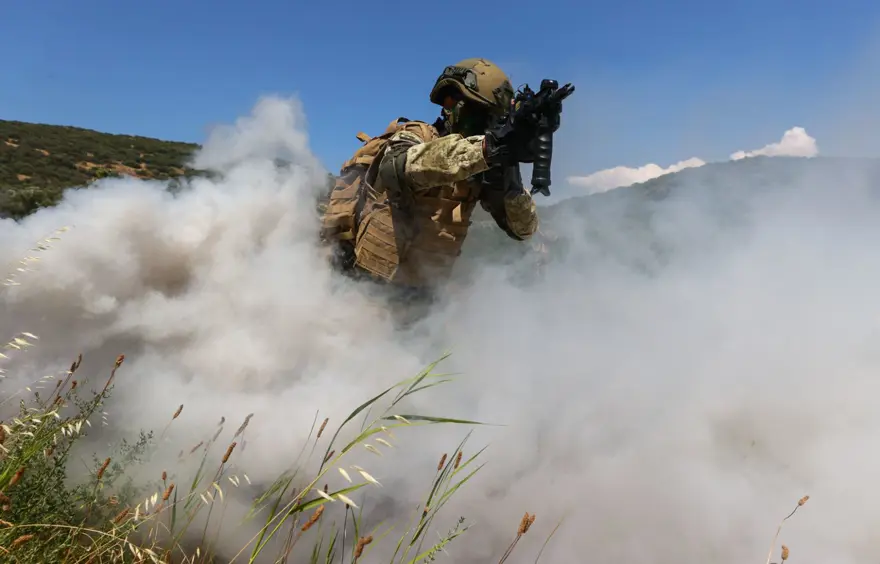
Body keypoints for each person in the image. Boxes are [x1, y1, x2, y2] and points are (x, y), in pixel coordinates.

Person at [319, 57, 542, 320]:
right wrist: (486, 150)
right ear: (451, 104)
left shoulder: (484, 163)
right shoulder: (417, 135)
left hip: (420, 298)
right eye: (481, 113)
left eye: (494, 118)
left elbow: (523, 229)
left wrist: (508, 169)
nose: (487, 125)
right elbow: (397, 168)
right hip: (362, 287)